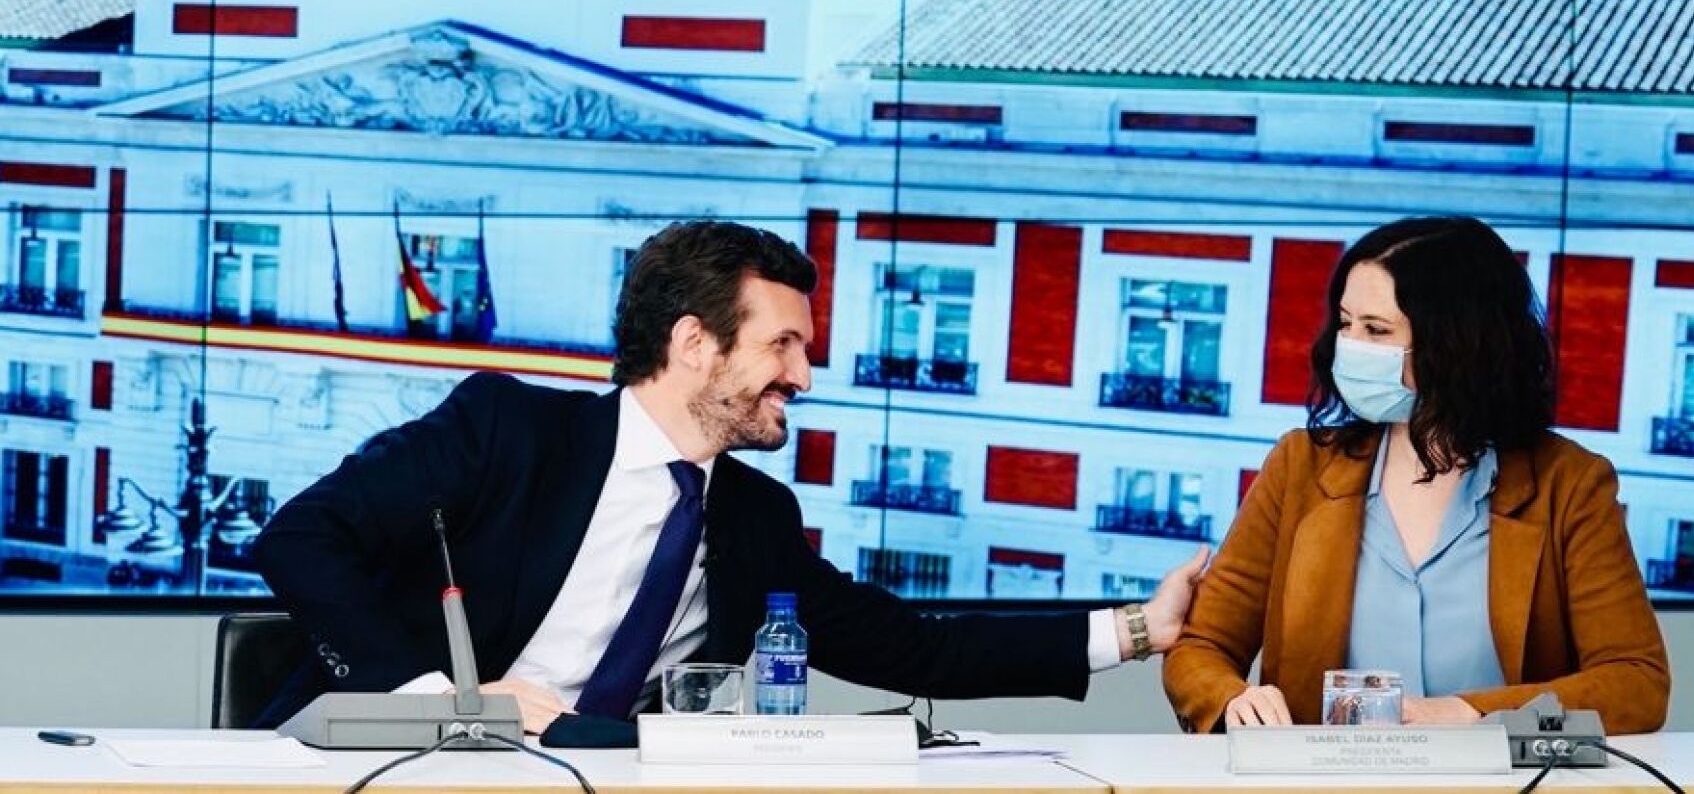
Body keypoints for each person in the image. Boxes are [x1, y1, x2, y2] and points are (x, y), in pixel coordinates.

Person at [253, 219, 1206, 733]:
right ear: (693, 343)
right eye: (782, 344)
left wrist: (1136, 630)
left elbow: (915, 649)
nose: (804, 375)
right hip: (397, 770)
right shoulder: (509, 429)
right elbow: (300, 538)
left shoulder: (754, 516)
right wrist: (444, 704)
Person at [1162, 216, 1669, 735]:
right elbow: (1202, 647)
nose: (1348, 345)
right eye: (1345, 323)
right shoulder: (1298, 466)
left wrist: (1471, 712)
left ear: (1458, 343)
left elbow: (1636, 682)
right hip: (1325, 776)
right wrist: (1235, 700)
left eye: (1376, 330)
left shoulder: (1572, 484)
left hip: (1501, 776)